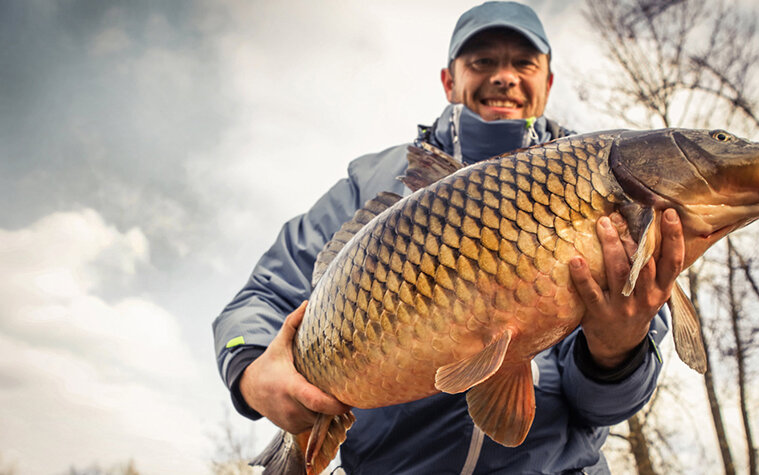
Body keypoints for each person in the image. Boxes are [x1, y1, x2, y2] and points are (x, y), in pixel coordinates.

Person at [213, 2, 685, 473]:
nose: (504, 76)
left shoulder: (609, 187)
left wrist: (617, 350)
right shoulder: (373, 182)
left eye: (524, 62)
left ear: (547, 82)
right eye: (482, 62)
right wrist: (252, 372)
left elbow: (605, 407)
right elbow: (257, 299)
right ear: (449, 80)